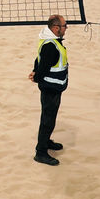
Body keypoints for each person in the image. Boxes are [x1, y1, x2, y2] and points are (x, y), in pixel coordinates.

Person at [29, 14, 68, 166]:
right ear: (56, 28)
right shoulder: (50, 46)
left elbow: (38, 60)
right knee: (47, 120)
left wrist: (35, 72)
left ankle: (46, 141)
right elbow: (44, 65)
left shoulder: (50, 41)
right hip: (50, 87)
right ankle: (41, 152)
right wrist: (37, 76)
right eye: (65, 26)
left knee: (50, 118)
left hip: (53, 86)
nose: (66, 28)